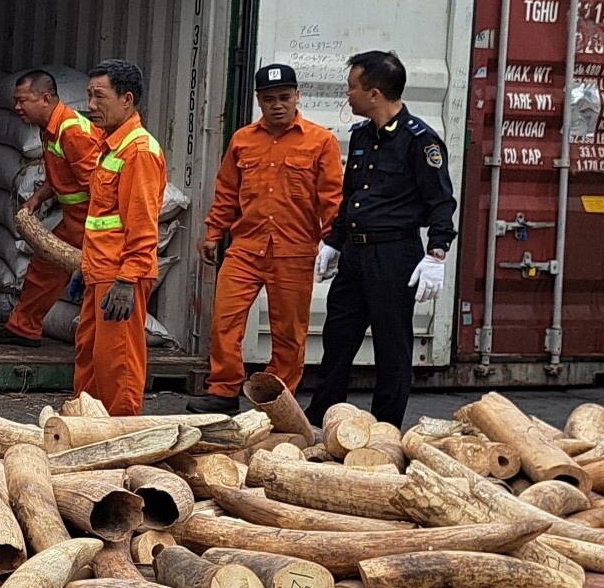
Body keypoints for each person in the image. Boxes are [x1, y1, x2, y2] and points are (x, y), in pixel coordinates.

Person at [307, 50, 457, 431]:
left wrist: (436, 253)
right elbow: (351, 196)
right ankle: (323, 420)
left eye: (352, 87)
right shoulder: (361, 136)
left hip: (394, 254)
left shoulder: (420, 141)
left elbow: (441, 202)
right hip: (355, 253)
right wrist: (334, 241)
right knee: (338, 337)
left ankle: (384, 429)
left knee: (392, 346)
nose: (347, 95)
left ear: (374, 94)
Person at [190, 63, 345, 413]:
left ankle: (276, 400)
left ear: (297, 97)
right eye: (270, 99)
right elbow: (227, 192)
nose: (278, 105)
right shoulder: (242, 140)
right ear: (259, 100)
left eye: (284, 97)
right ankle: (223, 391)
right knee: (225, 320)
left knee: (288, 331)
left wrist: (334, 243)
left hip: (294, 250)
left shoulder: (321, 141)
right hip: (246, 248)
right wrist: (214, 233)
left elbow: (331, 197)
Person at [76, 59, 166, 416]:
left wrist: (127, 280)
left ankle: (122, 432)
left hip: (119, 277)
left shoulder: (138, 151)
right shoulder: (112, 147)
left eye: (99, 96)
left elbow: (142, 225)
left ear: (126, 99)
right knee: (91, 358)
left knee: (118, 366)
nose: (91, 105)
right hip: (100, 273)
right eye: (89, 96)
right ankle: (84, 428)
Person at [0, 69, 103, 346]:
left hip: (91, 221)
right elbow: (60, 174)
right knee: (43, 268)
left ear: (45, 99)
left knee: (98, 283)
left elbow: (98, 189)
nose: (17, 107)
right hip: (75, 220)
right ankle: (23, 329)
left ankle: (99, 345)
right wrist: (37, 198)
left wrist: (100, 236)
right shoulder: (50, 129)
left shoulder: (72, 132)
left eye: (23, 101)